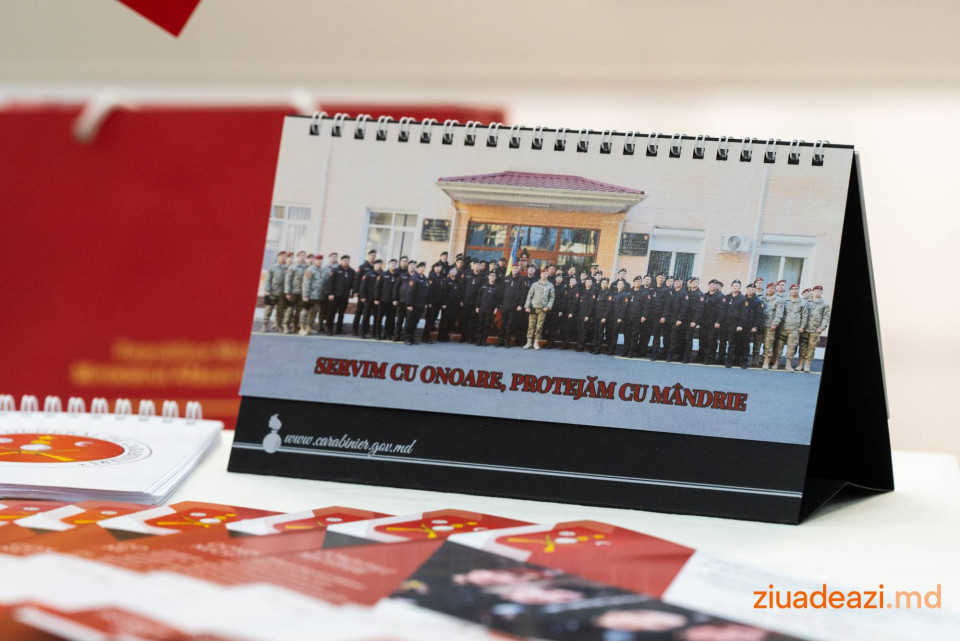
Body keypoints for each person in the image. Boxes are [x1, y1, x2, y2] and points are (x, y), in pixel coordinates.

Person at [726, 282, 762, 368]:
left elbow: (759, 315)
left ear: (755, 290)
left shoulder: (757, 301)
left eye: (752, 289)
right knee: (735, 343)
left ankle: (744, 362)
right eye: (749, 289)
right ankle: (735, 360)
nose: (750, 291)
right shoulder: (743, 298)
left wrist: (755, 326)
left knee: (745, 344)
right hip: (738, 324)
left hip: (748, 325)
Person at [774, 283, 808, 371]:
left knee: (791, 347)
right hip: (783, 327)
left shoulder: (802, 302)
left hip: (795, 329)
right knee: (779, 346)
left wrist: (802, 327)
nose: (794, 290)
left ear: (798, 290)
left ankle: (788, 364)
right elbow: (779, 313)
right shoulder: (784, 300)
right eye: (793, 289)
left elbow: (805, 315)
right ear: (789, 290)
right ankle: (777, 362)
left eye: (796, 289)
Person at [321, 254, 355, 335]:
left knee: (341, 313)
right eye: (345, 260)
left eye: (348, 260)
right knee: (331, 313)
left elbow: (353, 284)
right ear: (341, 261)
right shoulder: (335, 270)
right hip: (335, 295)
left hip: (345, 296)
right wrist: (330, 293)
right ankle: (329, 328)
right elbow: (330, 283)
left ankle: (339, 329)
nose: (346, 262)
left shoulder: (352, 271)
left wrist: (352, 293)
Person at [799, 285, 831, 373]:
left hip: (815, 330)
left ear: (822, 292)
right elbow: (801, 314)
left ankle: (807, 365)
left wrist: (821, 328)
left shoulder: (824, 304)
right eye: (816, 291)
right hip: (805, 329)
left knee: (811, 348)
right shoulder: (806, 301)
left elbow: (826, 317)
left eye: (819, 291)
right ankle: (800, 364)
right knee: (802, 347)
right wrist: (801, 326)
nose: (817, 293)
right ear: (812, 292)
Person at [523, 268, 555, 350]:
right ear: (540, 275)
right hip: (533, 308)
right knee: (531, 325)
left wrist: (548, 306)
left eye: (546, 274)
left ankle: (536, 343)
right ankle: (529, 342)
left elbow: (552, 297)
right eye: (543, 273)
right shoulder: (535, 284)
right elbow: (529, 296)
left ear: (547, 275)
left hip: (542, 309)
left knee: (539, 326)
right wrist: (527, 306)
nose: (544, 275)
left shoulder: (550, 285)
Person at [697, 279, 725, 364]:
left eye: (715, 285)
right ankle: (701, 356)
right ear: (709, 285)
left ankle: (709, 358)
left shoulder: (720, 296)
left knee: (711, 341)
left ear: (717, 286)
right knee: (702, 340)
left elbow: (722, 311)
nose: (713, 286)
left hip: (714, 322)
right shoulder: (705, 295)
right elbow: (700, 308)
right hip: (704, 322)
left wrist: (718, 321)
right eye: (711, 284)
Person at [497, 264, 524, 348]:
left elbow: (522, 294)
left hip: (514, 305)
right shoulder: (506, 278)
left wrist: (520, 304)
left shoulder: (521, 279)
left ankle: (506, 341)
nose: (515, 269)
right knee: (503, 323)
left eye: (517, 268)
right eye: (514, 268)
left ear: (518, 269)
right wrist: (499, 303)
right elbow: (501, 291)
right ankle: (500, 340)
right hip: (505, 304)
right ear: (512, 268)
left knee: (510, 324)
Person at [402, 262, 429, 345]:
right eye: (421, 267)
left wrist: (425, 303)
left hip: (420, 305)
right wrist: (409, 304)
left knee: (415, 322)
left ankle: (412, 337)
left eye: (424, 267)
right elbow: (409, 292)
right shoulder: (414, 278)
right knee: (409, 322)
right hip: (413, 305)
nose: (422, 269)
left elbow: (426, 293)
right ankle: (406, 338)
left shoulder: (425, 279)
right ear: (417, 268)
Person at [373, 258, 399, 339]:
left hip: (392, 301)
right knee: (379, 318)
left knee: (390, 319)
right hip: (383, 300)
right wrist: (376, 298)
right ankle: (378, 333)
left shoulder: (398, 276)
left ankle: (387, 334)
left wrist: (396, 299)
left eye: (395, 264)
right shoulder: (383, 274)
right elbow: (377, 287)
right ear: (389, 265)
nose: (393, 265)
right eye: (392, 263)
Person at [352, 249, 377, 336]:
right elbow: (357, 279)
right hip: (362, 293)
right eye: (372, 255)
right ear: (368, 256)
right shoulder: (362, 267)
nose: (373, 257)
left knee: (367, 312)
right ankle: (355, 329)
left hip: (370, 295)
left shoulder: (375, 267)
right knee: (359, 311)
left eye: (374, 256)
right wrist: (356, 291)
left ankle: (366, 328)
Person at [719, 280, 744, 365]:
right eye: (734, 286)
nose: (735, 287)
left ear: (740, 287)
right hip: (724, 323)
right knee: (722, 342)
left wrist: (740, 325)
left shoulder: (742, 299)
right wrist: (719, 321)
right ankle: (720, 359)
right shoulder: (727, 297)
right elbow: (722, 310)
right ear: (731, 287)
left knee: (732, 343)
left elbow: (743, 313)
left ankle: (729, 360)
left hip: (734, 324)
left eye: (737, 286)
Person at [760, 282, 784, 370]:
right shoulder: (762, 298)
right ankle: (756, 360)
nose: (770, 290)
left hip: (770, 325)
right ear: (766, 289)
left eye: (772, 288)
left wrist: (775, 324)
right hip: (760, 324)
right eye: (769, 288)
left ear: (775, 290)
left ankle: (766, 362)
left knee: (768, 344)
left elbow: (779, 314)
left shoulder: (778, 300)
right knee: (757, 343)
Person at [299, 254, 324, 336]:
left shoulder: (321, 270)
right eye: (318, 260)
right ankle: (302, 328)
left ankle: (309, 327)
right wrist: (305, 295)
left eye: (321, 260)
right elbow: (306, 283)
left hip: (318, 296)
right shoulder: (309, 270)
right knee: (305, 312)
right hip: (310, 295)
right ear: (315, 261)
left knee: (314, 312)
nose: (320, 262)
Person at [262, 251, 288, 332]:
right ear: (278, 257)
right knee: (268, 310)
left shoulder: (287, 268)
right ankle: (265, 325)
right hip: (272, 292)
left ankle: (278, 325)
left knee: (280, 311)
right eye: (282, 256)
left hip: (282, 293)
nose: (283, 257)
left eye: (285, 256)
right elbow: (268, 280)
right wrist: (267, 290)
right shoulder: (272, 267)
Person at [283, 250, 308, 333]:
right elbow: (288, 280)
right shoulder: (292, 267)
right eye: (301, 255)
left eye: (304, 255)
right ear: (298, 256)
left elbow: (308, 281)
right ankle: (286, 325)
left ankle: (295, 326)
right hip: (293, 292)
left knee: (299, 310)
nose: (302, 257)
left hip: (302, 293)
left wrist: (306, 293)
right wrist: (287, 292)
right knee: (290, 310)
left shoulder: (307, 268)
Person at [681, 276, 704, 363]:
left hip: (692, 320)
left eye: (696, 282)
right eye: (693, 282)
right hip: (684, 319)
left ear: (698, 283)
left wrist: (694, 321)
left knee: (688, 338)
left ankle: (687, 357)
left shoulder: (700, 294)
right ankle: (681, 355)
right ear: (690, 283)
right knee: (682, 337)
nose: (694, 283)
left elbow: (699, 310)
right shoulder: (687, 292)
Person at [475, 271, 502, 346]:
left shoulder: (497, 287)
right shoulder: (483, 285)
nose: (492, 277)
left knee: (487, 325)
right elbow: (479, 296)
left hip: (491, 309)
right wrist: (477, 306)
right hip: (482, 308)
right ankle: (479, 340)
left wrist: (496, 307)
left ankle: (484, 341)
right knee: (480, 325)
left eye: (494, 275)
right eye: (491, 275)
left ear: (495, 277)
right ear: (488, 276)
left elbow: (498, 299)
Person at [460, 261, 484, 343]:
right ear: (473, 266)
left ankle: (470, 338)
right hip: (466, 301)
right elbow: (462, 288)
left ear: (480, 267)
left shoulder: (483, 277)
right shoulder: (467, 274)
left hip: (475, 302)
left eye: (478, 265)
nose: (477, 266)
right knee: (464, 320)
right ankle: (463, 337)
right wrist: (461, 300)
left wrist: (479, 303)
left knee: (473, 321)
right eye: (475, 265)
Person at [357, 259, 382, 338]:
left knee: (377, 317)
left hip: (378, 299)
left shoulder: (382, 274)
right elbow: (363, 286)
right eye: (377, 264)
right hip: (368, 298)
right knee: (366, 316)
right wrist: (362, 296)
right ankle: (363, 332)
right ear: (374, 265)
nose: (379, 266)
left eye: (380, 264)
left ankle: (375, 332)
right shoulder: (368, 274)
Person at [664, 277, 687, 361]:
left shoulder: (684, 293)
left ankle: (670, 356)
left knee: (673, 339)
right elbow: (667, 305)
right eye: (676, 281)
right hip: (668, 318)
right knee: (667, 337)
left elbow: (684, 308)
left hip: (676, 319)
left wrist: (680, 319)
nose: (677, 283)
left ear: (682, 283)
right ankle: (665, 353)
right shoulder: (671, 291)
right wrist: (664, 316)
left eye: (679, 281)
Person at [422, 262, 445, 344]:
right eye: (437, 267)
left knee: (433, 319)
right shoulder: (431, 276)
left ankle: (428, 336)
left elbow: (442, 290)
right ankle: (425, 337)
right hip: (432, 302)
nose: (438, 268)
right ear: (434, 268)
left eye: (440, 267)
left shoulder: (441, 276)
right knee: (429, 320)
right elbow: (429, 290)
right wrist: (428, 302)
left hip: (438, 302)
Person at [438, 267, 462, 342]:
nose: (453, 272)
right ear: (449, 272)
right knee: (444, 321)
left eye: (455, 270)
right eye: (452, 270)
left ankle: (446, 335)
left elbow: (460, 293)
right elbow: (442, 293)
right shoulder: (446, 281)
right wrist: (443, 303)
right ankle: (441, 336)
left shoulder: (458, 281)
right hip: (447, 305)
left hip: (455, 305)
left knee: (451, 320)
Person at [543, 274, 567, 349]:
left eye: (560, 277)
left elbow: (563, 300)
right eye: (558, 277)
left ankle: (551, 342)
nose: (559, 278)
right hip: (549, 308)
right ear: (555, 278)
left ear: (562, 279)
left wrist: (561, 310)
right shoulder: (551, 286)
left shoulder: (563, 288)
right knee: (548, 326)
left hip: (557, 310)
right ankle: (548, 341)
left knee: (554, 327)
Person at [393, 262, 416, 341]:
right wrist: (395, 299)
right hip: (401, 301)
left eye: (413, 265)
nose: (412, 267)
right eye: (411, 265)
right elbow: (396, 287)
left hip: (411, 303)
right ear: (408, 266)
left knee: (408, 321)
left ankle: (405, 336)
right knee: (399, 320)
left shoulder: (416, 277)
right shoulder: (402, 276)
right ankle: (397, 336)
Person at [592, 278, 615, 354]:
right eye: (602, 283)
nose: (604, 284)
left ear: (607, 284)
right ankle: (594, 347)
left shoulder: (609, 293)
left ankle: (598, 349)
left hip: (602, 317)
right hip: (597, 316)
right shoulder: (599, 292)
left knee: (600, 333)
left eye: (605, 283)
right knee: (596, 332)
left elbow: (609, 306)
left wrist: (604, 317)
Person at [610, 279, 631, 356]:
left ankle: (615, 350)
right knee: (613, 333)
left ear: (624, 286)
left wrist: (620, 317)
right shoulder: (616, 294)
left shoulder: (624, 295)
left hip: (619, 317)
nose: (620, 285)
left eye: (622, 284)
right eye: (619, 283)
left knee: (618, 334)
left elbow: (624, 307)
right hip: (614, 317)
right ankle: (611, 349)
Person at [576, 278, 597, 352]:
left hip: (586, 315)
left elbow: (592, 305)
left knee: (584, 331)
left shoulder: (592, 292)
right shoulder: (583, 291)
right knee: (579, 330)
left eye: (589, 282)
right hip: (580, 314)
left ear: (591, 283)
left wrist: (588, 315)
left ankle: (581, 346)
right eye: (586, 282)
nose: (587, 283)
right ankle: (578, 344)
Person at [561, 275, 582, 350]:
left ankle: (566, 344)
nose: (572, 281)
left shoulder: (576, 290)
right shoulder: (568, 289)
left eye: (573, 280)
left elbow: (575, 303)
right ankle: (564, 343)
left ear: (576, 282)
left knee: (568, 329)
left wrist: (571, 312)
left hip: (570, 312)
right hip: (565, 311)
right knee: (564, 328)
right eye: (571, 280)